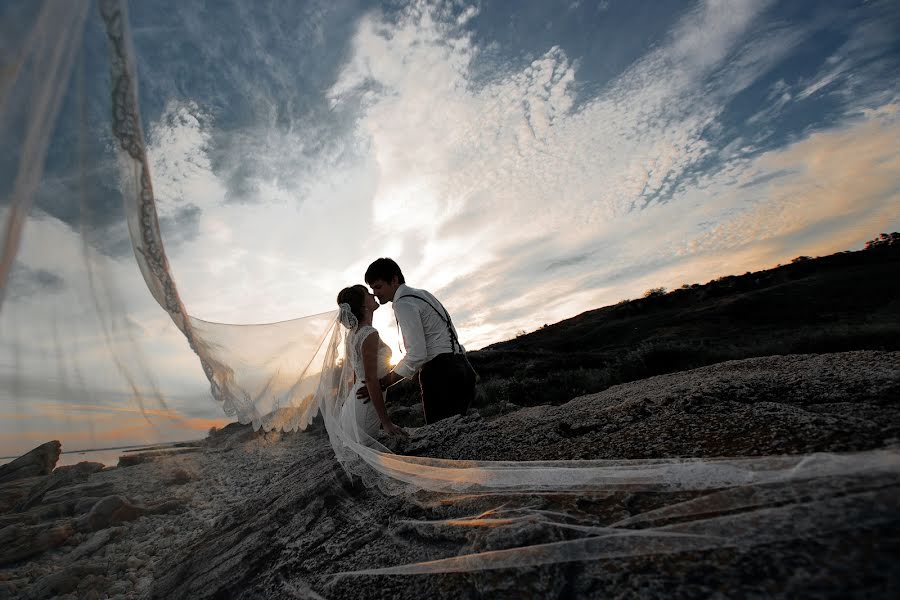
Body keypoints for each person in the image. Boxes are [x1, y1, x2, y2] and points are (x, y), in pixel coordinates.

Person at [360, 258, 477, 424]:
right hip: (463, 367)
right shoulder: (422, 294)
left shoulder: (403, 303)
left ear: (394, 280)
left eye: (378, 287)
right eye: (372, 289)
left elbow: (417, 354)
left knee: (442, 438)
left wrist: (383, 383)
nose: (375, 293)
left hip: (442, 374)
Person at [336, 285, 407, 440]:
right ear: (363, 306)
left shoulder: (353, 335)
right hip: (365, 406)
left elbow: (357, 373)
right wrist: (386, 423)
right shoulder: (369, 334)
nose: (373, 294)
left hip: (356, 403)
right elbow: (370, 378)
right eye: (368, 294)